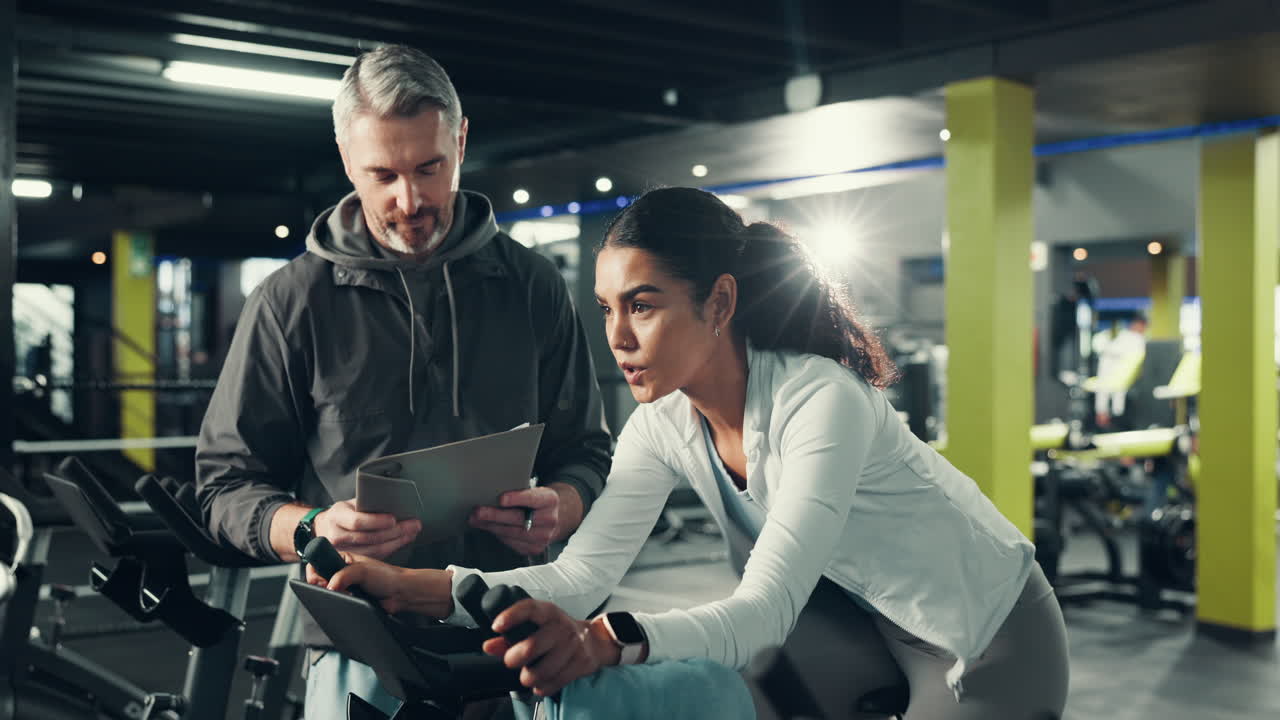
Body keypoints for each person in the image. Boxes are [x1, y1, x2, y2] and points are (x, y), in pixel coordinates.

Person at [318, 188, 1071, 719]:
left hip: (984, 632)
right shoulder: (664, 425)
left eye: (643, 306)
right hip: (855, 620)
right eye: (608, 310)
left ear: (719, 303)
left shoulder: (823, 401)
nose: (617, 339)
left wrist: (606, 641)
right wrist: (415, 586)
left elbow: (766, 609)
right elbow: (582, 575)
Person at [195, 45, 612, 720]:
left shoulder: (533, 286)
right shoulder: (290, 301)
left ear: (461, 139)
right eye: (382, 174)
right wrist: (311, 527)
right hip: (361, 638)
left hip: (515, 625)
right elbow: (223, 483)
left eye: (429, 168)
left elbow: (588, 452)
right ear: (344, 157)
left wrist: (564, 503)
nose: (409, 200)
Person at [1094, 314, 1149, 430]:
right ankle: (1107, 418)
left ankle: (1112, 418)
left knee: (1117, 400)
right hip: (1114, 374)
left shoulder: (1136, 338)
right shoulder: (1125, 337)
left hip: (1124, 379)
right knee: (1107, 395)